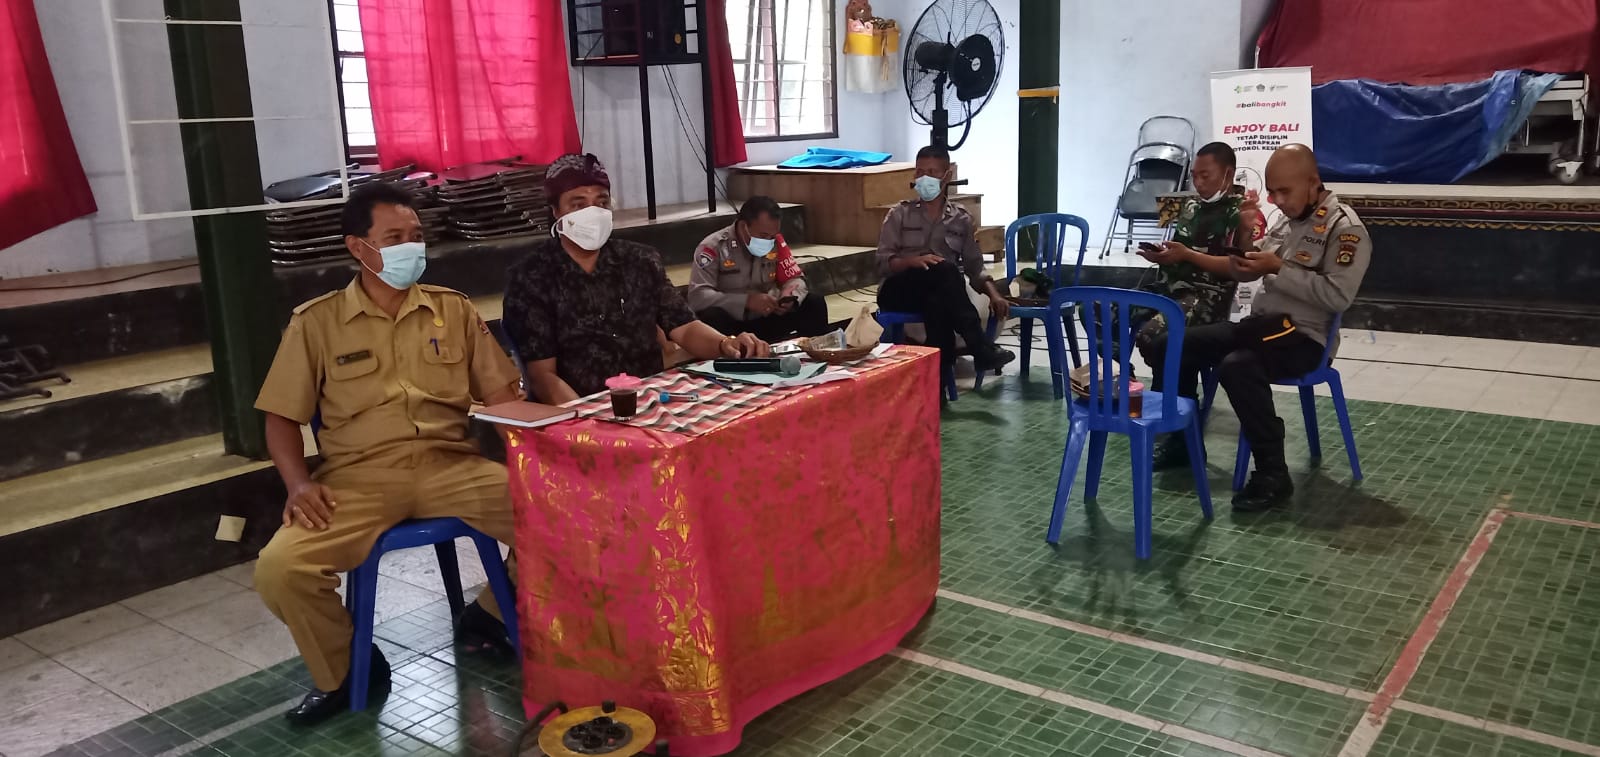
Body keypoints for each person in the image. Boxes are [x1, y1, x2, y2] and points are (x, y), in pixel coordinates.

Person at [252, 182, 523, 726]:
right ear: (358, 247)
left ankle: (492, 614)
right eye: (394, 237)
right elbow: (280, 417)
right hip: (358, 478)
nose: (411, 248)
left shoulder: (453, 310)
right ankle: (350, 666)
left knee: (564, 515)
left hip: (453, 466)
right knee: (281, 569)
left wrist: (538, 459)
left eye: (416, 236)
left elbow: (502, 398)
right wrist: (299, 485)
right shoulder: (317, 322)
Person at [1147, 144, 1371, 511]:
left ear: (1312, 182)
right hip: (1262, 328)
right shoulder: (1286, 221)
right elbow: (1246, 268)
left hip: (1304, 338)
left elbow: (1338, 296)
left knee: (1237, 365)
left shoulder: (1344, 228)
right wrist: (1219, 247)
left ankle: (1272, 474)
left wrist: (1278, 267)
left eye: (1284, 191)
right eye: (1272, 192)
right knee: (1170, 345)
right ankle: (1182, 442)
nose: (1276, 201)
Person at [503, 153, 770, 403]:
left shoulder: (640, 261)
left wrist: (726, 344)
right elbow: (543, 376)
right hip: (581, 407)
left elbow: (685, 327)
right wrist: (587, 419)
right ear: (556, 211)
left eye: (602, 202)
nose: (593, 212)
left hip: (651, 398)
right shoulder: (532, 277)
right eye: (578, 204)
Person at [1134, 141, 1257, 467]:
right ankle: (1134, 396)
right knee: (1108, 315)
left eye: (1206, 175)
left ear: (1228, 174)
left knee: (1158, 338)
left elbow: (1239, 268)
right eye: (1195, 176)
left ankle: (1175, 425)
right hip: (1174, 290)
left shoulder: (1242, 213)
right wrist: (1163, 256)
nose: (1198, 183)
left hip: (1208, 298)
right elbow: (1179, 252)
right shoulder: (1188, 207)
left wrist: (1187, 255)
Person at [876, 145, 1014, 374]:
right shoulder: (899, 214)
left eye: (931, 172)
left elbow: (974, 267)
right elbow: (882, 262)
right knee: (946, 270)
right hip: (899, 289)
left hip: (938, 291)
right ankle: (980, 347)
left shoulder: (960, 219)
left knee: (938, 302)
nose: (924, 178)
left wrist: (994, 294)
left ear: (946, 176)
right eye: (919, 172)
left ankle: (938, 383)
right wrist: (912, 262)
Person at [688, 195, 831, 342]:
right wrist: (746, 301)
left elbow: (794, 278)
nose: (768, 241)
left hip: (768, 317)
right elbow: (698, 297)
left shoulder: (776, 242)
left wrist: (790, 296)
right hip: (734, 323)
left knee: (814, 303)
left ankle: (818, 353)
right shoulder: (713, 247)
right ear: (743, 226)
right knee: (711, 317)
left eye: (772, 236)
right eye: (763, 235)